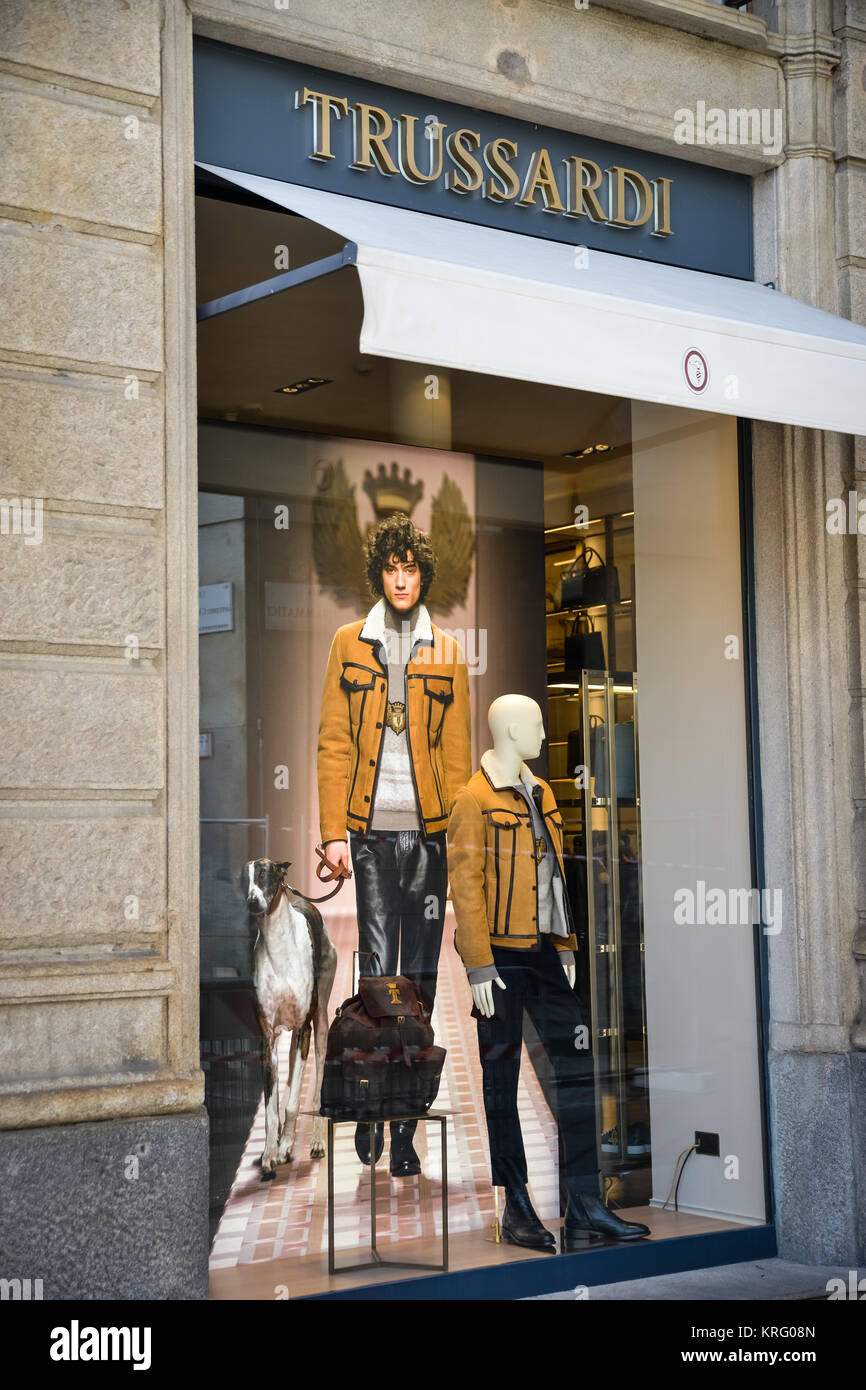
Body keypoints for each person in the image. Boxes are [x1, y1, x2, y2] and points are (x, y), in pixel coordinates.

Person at [317, 512, 471, 1175]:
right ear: (379, 574)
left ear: (421, 574)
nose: (402, 579)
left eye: (411, 569)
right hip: (373, 835)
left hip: (432, 837)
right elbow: (333, 742)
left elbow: (461, 759)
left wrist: (464, 851)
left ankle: (406, 1122)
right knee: (380, 978)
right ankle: (369, 1106)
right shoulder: (349, 643)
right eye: (392, 568)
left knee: (424, 981)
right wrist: (333, 834)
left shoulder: (449, 650)